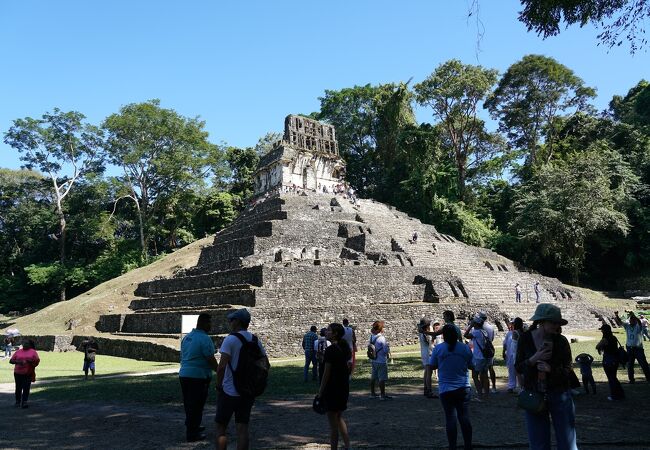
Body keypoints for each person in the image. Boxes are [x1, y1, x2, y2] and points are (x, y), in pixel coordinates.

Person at [515, 303, 577, 450]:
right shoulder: (525, 339)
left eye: (558, 323)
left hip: (559, 394)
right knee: (538, 444)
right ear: (541, 322)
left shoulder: (561, 341)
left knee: (567, 443)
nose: (556, 326)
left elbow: (568, 369)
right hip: (534, 395)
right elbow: (518, 367)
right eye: (553, 322)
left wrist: (551, 369)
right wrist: (534, 359)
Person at [215, 308, 266, 450]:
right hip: (247, 390)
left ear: (237, 322)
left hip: (229, 391)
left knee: (221, 427)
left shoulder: (230, 339)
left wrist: (219, 386)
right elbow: (265, 364)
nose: (230, 322)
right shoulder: (255, 340)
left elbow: (221, 367)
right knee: (242, 429)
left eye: (232, 320)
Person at [428, 324, 474, 450]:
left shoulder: (439, 349)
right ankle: (468, 446)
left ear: (443, 335)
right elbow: (471, 365)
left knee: (450, 418)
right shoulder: (464, 348)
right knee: (464, 417)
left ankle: (452, 446)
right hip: (463, 387)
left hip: (446, 389)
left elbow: (432, 366)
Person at [179, 313, 218, 442]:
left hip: (184, 374)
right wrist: (219, 371)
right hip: (198, 376)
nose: (211, 326)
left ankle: (193, 425)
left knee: (189, 403)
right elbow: (210, 359)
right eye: (209, 323)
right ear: (203, 323)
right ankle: (192, 433)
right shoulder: (204, 339)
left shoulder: (187, 338)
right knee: (197, 405)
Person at [316, 323, 352, 450]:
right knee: (339, 417)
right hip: (342, 387)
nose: (326, 331)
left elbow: (327, 372)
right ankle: (348, 445)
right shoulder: (344, 347)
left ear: (335, 333)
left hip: (332, 389)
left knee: (332, 426)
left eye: (329, 330)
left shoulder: (331, 350)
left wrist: (320, 391)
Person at [613, 310, 650, 383]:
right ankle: (631, 379)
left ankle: (648, 378)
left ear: (635, 321)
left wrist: (634, 315)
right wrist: (617, 315)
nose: (631, 321)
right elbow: (620, 322)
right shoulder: (627, 326)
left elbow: (639, 322)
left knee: (643, 364)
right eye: (631, 320)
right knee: (630, 365)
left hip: (638, 349)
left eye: (633, 320)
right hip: (629, 349)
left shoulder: (638, 327)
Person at [595, 323, 625, 400]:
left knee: (611, 379)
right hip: (615, 359)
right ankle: (620, 393)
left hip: (608, 360)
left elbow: (597, 346)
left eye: (602, 330)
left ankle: (614, 395)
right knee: (614, 377)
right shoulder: (613, 337)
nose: (601, 331)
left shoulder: (605, 339)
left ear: (605, 331)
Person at [9, 338, 40, 408]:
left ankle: (24, 402)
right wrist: (18, 362)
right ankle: (17, 401)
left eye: (26, 343)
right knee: (18, 388)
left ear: (30, 345)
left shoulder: (33, 352)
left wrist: (30, 361)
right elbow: (11, 361)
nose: (24, 344)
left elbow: (37, 362)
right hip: (17, 372)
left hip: (28, 372)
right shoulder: (18, 352)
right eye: (24, 343)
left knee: (26, 388)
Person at [464, 318, 489, 400]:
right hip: (485, 356)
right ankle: (486, 394)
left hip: (478, 357)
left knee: (475, 376)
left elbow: (466, 335)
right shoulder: (484, 331)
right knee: (484, 375)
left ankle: (480, 396)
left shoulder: (476, 332)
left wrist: (470, 326)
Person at [369, 320, 391, 400]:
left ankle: (372, 393)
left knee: (373, 377)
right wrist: (388, 348)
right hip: (381, 360)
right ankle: (382, 395)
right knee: (382, 378)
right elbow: (385, 351)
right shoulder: (381, 338)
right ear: (380, 329)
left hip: (373, 360)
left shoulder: (371, 337)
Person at [477, 311, 497, 393]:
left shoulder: (480, 327)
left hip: (482, 350)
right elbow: (492, 338)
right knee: (490, 368)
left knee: (482, 370)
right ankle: (494, 386)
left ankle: (483, 387)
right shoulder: (490, 327)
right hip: (490, 349)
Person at [503, 318, 524, 393]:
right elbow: (505, 344)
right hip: (512, 354)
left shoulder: (516, 333)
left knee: (518, 371)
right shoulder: (510, 333)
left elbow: (514, 345)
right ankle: (512, 386)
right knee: (513, 370)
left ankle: (521, 387)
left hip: (515, 354)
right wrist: (504, 351)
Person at [418, 318, 435, 397]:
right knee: (429, 372)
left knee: (426, 371)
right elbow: (429, 342)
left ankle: (426, 388)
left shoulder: (423, 332)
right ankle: (429, 390)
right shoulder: (425, 334)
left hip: (424, 353)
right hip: (428, 353)